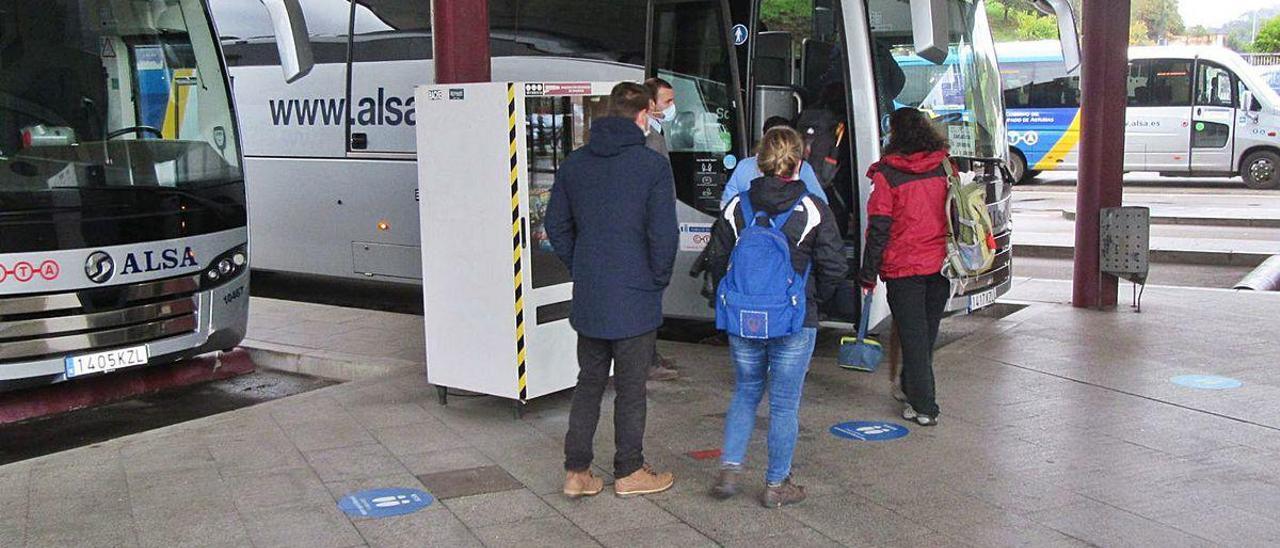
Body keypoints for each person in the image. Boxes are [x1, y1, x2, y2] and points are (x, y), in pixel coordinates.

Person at [546, 82, 679, 498]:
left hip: (591, 292)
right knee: (631, 387)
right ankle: (629, 470)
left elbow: (556, 227)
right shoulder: (651, 167)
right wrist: (657, 278)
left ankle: (577, 472)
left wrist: (580, 264)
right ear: (642, 117)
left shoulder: (574, 164)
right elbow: (663, 235)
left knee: (589, 382)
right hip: (636, 294)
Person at [704, 126, 849, 508]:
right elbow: (835, 266)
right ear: (799, 162)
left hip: (744, 318)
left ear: (760, 161)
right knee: (785, 403)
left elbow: (718, 259)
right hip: (794, 318)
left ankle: (730, 467)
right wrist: (816, 298)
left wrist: (736, 296)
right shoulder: (813, 208)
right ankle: (776, 483)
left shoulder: (738, 205)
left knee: (746, 390)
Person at [857, 107, 952, 427]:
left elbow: (879, 228)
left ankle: (925, 407)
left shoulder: (886, 174)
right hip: (941, 265)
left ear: (894, 135)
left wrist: (868, 273)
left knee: (914, 338)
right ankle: (911, 390)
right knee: (924, 336)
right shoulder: (943, 166)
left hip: (904, 268)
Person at [642, 77, 681, 382]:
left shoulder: (657, 132)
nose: (672, 107)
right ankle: (647, 358)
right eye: (667, 101)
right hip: (650, 230)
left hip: (656, 225)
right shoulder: (647, 140)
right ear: (650, 104)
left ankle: (651, 354)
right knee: (650, 295)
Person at [720, 117, 828, 209]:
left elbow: (726, 206)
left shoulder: (744, 166)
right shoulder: (803, 169)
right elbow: (822, 207)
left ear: (763, 140)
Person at [644, 77, 676, 160]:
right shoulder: (646, 136)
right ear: (651, 104)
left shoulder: (656, 128)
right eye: (668, 101)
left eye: (673, 101)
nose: (672, 105)